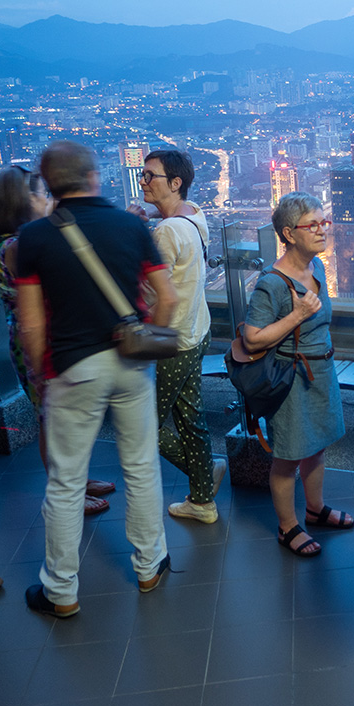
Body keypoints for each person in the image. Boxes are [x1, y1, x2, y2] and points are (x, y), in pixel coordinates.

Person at [16, 140, 177, 617]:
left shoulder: (35, 238)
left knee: (66, 481)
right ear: (95, 177)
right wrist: (152, 339)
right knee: (141, 466)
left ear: (49, 184)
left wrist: (44, 373)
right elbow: (166, 297)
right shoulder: (131, 225)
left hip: (73, 366)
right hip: (130, 362)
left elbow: (30, 324)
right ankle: (150, 566)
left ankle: (61, 591)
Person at [0, 165, 116, 515]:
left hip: (48, 332)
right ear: (24, 200)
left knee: (64, 416)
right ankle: (67, 493)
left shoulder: (18, 241)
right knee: (53, 418)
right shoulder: (16, 246)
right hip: (36, 338)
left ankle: (78, 479)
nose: (49, 200)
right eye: (43, 194)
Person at [240, 192, 352, 556]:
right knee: (287, 456)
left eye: (324, 223)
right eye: (313, 225)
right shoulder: (272, 283)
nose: (323, 230)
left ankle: (315, 509)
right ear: (288, 233)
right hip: (291, 379)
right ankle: (287, 528)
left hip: (320, 370)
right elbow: (252, 337)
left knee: (316, 448)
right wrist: (297, 315)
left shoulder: (317, 267)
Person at [132, 149, 223, 523]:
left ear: (175, 183)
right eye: (142, 174)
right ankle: (202, 500)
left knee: (142, 427)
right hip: (196, 331)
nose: (142, 181)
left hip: (172, 341)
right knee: (190, 416)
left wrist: (145, 344)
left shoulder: (167, 232)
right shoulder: (194, 214)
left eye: (150, 176)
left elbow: (156, 291)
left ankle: (203, 479)